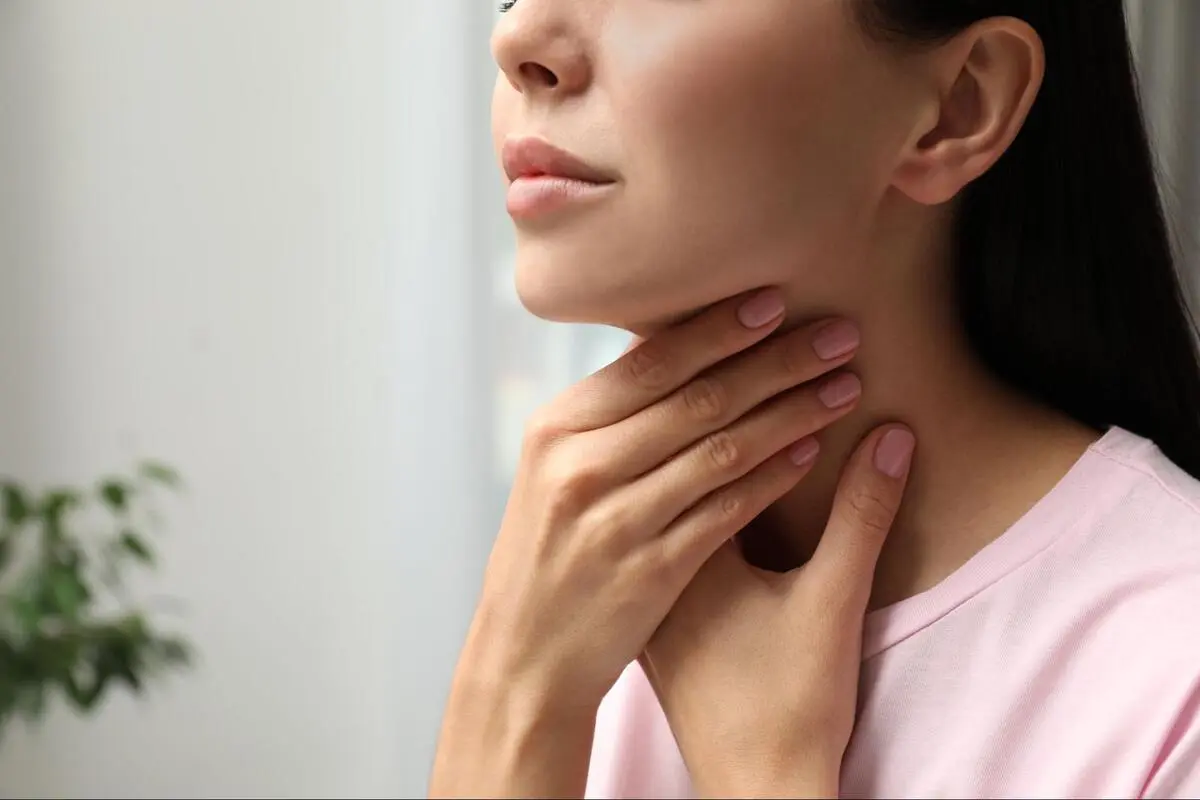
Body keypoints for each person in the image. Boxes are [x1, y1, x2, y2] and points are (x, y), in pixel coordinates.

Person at [430, 0, 1200, 797]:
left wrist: (765, 776)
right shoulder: (574, 593)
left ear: (957, 106)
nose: (517, 39)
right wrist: (515, 697)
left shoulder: (1175, 683)